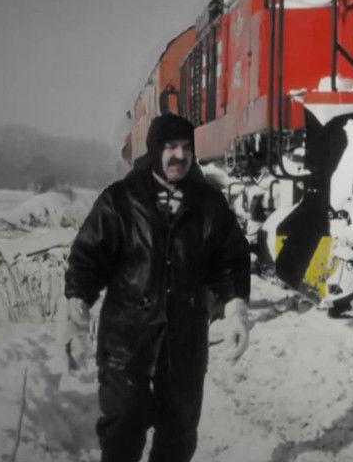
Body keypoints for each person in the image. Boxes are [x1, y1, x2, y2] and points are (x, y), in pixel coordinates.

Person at [63, 113, 251, 462]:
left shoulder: (209, 205)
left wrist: (236, 310)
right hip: (125, 343)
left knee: (178, 439)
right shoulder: (119, 201)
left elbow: (232, 262)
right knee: (123, 430)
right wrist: (76, 317)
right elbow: (86, 260)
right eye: (169, 147)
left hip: (185, 347)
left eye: (185, 148)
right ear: (153, 151)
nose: (178, 155)